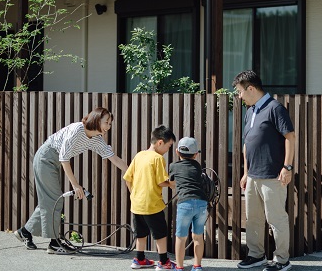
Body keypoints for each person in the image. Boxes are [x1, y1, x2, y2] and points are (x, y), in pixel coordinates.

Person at [14, 107, 127, 254]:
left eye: (110, 123)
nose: (108, 127)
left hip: (54, 162)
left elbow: (114, 158)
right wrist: (76, 185)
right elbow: (64, 158)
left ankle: (25, 232)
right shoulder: (77, 130)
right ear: (96, 120)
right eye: (106, 122)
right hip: (45, 158)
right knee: (54, 200)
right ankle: (54, 244)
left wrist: (134, 172)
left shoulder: (96, 139)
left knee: (49, 200)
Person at [233, 70, 296, 271]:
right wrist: (245, 172)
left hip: (273, 175)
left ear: (250, 88)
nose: (239, 96)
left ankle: (282, 260)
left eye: (240, 91)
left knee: (276, 219)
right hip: (252, 176)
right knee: (253, 219)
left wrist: (287, 167)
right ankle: (256, 255)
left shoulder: (275, 108)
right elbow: (247, 144)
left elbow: (290, 138)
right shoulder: (250, 111)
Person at [124, 125, 177, 270]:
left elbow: (127, 178)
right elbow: (161, 181)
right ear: (160, 142)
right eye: (169, 146)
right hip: (152, 204)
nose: (168, 150)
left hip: (137, 204)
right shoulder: (158, 158)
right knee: (160, 234)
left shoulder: (139, 155)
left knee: (140, 233)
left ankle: (139, 259)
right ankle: (164, 262)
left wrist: (133, 194)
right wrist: (171, 184)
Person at [168, 136, 208, 271]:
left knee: (181, 237)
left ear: (177, 152)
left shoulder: (173, 166)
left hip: (185, 203)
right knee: (198, 236)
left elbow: (173, 184)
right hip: (202, 203)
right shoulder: (197, 166)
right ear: (196, 155)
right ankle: (197, 266)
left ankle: (179, 267)